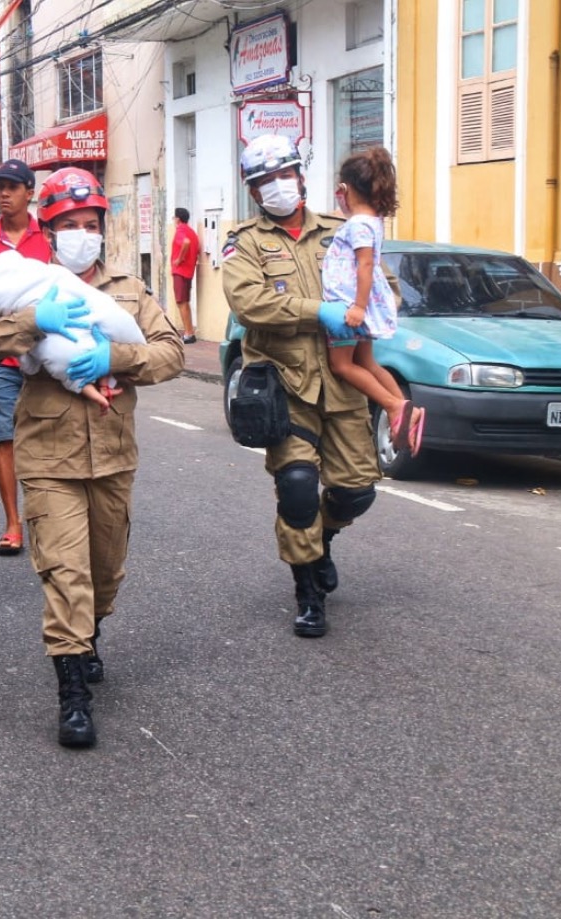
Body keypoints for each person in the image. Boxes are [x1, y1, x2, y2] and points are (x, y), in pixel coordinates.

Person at [0, 166, 184, 749]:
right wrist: (32, 321)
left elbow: (169, 354)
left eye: (91, 224)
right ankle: (72, 697)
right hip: (46, 454)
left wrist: (112, 357)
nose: (81, 234)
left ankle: (89, 637)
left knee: (105, 575)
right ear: (50, 228)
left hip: (113, 455)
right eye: (70, 225)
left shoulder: (127, 290)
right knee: (66, 575)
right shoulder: (27, 283)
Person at [221, 134, 382, 640]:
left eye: (283, 174)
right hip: (285, 385)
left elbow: (378, 284)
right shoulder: (243, 241)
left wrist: (372, 307)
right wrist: (320, 311)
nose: (276, 186)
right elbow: (249, 304)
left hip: (342, 382)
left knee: (356, 493)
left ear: (301, 176)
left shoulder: (343, 229)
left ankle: (323, 537)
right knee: (296, 490)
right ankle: (307, 590)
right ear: (252, 191)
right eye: (264, 180)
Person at [0, 159, 52, 556]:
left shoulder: (51, 237)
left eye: (12, 186)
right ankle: (12, 523)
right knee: (6, 440)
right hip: (1, 360)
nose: (3, 193)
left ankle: (47, 516)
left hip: (47, 358)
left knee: (48, 439)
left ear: (29, 192)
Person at [321, 147, 422, 455]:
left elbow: (365, 265)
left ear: (347, 188)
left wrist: (358, 307)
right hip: (354, 305)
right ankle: (408, 411)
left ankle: (392, 407)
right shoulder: (373, 220)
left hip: (346, 307)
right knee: (366, 362)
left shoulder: (358, 225)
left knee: (341, 365)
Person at [170, 207, 200, 343]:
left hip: (180, 271)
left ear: (177, 218)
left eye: (174, 217)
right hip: (188, 272)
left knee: (181, 302)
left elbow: (186, 243)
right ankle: (190, 332)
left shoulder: (181, 230)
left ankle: (188, 334)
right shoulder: (192, 232)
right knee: (185, 302)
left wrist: (180, 258)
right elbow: (196, 248)